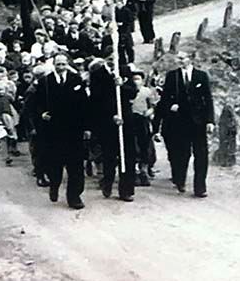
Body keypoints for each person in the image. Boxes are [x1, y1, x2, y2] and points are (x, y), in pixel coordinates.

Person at [156, 51, 215, 198]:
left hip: (198, 122)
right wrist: (170, 106)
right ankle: (180, 180)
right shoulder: (172, 76)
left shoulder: (201, 76)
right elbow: (164, 99)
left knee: (201, 154)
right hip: (180, 121)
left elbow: (208, 99)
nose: (180, 61)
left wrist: (210, 121)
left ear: (191, 59)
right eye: (178, 58)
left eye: (183, 58)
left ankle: (200, 187)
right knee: (182, 153)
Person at [34, 54, 89, 209]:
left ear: (67, 65)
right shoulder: (45, 82)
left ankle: (74, 196)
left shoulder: (76, 80)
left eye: (63, 64)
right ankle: (54, 185)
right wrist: (41, 114)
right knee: (54, 163)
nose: (61, 67)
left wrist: (86, 127)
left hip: (73, 130)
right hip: (53, 130)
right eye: (58, 64)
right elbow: (36, 103)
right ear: (54, 65)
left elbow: (84, 105)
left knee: (76, 165)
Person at [88, 60, 138, 202]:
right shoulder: (98, 74)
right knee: (109, 155)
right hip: (107, 121)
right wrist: (111, 115)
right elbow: (96, 100)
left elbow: (133, 93)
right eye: (109, 57)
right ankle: (107, 182)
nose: (112, 59)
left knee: (128, 155)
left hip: (126, 120)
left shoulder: (124, 70)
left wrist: (121, 85)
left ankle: (126, 190)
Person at [129, 68, 159, 186]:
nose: (136, 81)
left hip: (143, 120)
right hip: (131, 120)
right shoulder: (128, 91)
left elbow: (153, 106)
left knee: (145, 145)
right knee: (133, 145)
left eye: (138, 79)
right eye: (134, 79)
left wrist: (150, 112)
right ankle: (135, 172)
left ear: (142, 80)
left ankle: (144, 171)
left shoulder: (147, 91)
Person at [114, 0, 136, 65]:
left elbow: (131, 20)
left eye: (119, 4)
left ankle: (131, 60)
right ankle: (122, 60)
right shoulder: (115, 11)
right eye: (117, 4)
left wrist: (123, 23)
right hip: (118, 30)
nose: (118, 6)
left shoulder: (127, 10)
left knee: (128, 46)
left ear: (122, 4)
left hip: (126, 29)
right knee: (120, 46)